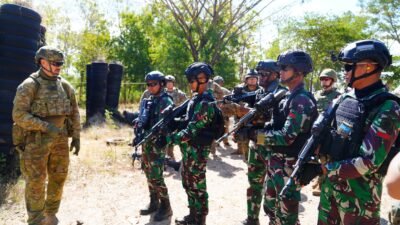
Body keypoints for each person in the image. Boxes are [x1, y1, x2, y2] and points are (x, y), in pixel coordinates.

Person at [298, 39, 400, 225]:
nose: (343, 72)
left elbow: (369, 161)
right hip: (330, 193)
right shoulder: (344, 98)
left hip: (359, 202)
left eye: (347, 67)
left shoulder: (387, 107)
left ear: (368, 68)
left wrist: (325, 170)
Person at [12, 46, 81, 225]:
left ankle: (51, 214)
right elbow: (18, 115)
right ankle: (36, 219)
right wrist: (45, 126)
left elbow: (74, 112)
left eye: (61, 64)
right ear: (42, 62)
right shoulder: (29, 86)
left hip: (60, 140)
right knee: (36, 181)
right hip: (36, 142)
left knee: (59, 177)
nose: (59, 67)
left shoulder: (65, 86)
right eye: (55, 63)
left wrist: (76, 135)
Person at [256, 50, 318, 225]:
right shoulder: (287, 96)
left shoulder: (301, 100)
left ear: (298, 72)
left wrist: (256, 136)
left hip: (289, 166)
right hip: (277, 164)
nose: (280, 71)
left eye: (284, 68)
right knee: (272, 210)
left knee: (286, 217)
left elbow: (286, 137)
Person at [242, 60, 287, 225]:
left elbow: (278, 126)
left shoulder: (282, 94)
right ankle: (252, 218)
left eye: (264, 74)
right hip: (256, 146)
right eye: (258, 73)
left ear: (275, 74)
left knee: (273, 191)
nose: (259, 77)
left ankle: (273, 221)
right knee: (253, 184)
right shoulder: (260, 92)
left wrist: (255, 132)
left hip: (272, 148)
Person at [173, 62, 218, 225]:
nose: (189, 84)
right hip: (189, 151)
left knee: (197, 187)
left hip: (198, 151)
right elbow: (186, 122)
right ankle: (192, 215)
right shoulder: (195, 99)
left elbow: (191, 130)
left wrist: (170, 139)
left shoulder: (206, 102)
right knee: (187, 182)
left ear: (202, 79)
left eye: (191, 80)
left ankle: (200, 219)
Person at [134, 71, 174, 221]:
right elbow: (143, 118)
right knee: (148, 172)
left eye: (154, 84)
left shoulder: (166, 101)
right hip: (146, 142)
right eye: (148, 84)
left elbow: (169, 124)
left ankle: (166, 206)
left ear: (161, 84)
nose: (150, 87)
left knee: (156, 176)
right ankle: (154, 202)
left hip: (157, 144)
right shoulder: (148, 100)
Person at [311, 68, 341, 196]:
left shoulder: (338, 96)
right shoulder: (316, 94)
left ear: (333, 80)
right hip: (315, 130)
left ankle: (322, 182)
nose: (323, 81)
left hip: (328, 132)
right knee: (314, 156)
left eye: (326, 79)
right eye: (322, 79)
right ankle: (318, 178)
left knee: (324, 158)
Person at [232, 69, 260, 157]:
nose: (252, 80)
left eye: (254, 78)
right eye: (250, 78)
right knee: (243, 141)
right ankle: (248, 160)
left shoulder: (262, 90)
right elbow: (232, 103)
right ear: (246, 79)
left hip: (259, 121)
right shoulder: (239, 90)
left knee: (261, 143)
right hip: (242, 121)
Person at [164, 75, 188, 160]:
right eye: (167, 83)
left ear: (173, 83)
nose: (169, 84)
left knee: (182, 139)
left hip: (178, 120)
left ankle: (185, 159)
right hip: (167, 119)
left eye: (170, 82)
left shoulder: (180, 93)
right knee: (167, 139)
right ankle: (170, 157)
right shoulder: (163, 93)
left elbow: (187, 105)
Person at [212, 75, 233, 148]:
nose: (218, 83)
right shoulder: (210, 91)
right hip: (214, 112)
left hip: (223, 112)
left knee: (225, 127)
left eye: (219, 82)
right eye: (217, 82)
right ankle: (217, 141)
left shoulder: (225, 90)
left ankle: (225, 141)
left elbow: (231, 98)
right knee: (217, 127)